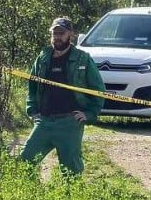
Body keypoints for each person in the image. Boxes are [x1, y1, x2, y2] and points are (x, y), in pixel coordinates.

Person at [21, 17, 105, 175]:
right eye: (54, 33)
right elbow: (32, 86)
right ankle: (31, 197)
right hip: (44, 121)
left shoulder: (83, 58)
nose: (57, 37)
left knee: (71, 171)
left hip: (70, 123)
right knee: (25, 161)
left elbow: (98, 89)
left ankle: (71, 198)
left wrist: (90, 114)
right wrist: (33, 110)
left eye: (61, 33)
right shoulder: (43, 57)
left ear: (71, 35)